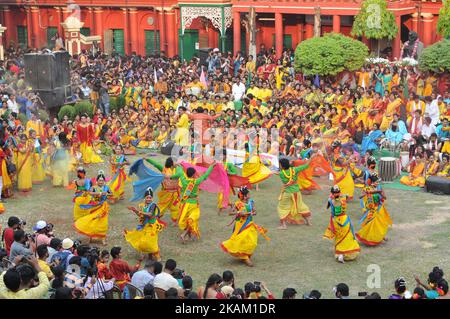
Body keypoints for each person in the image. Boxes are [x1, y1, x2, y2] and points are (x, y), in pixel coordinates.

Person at [220, 186, 269, 267]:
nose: (250, 195)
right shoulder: (237, 203)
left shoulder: (251, 202)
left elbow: (254, 210)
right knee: (241, 240)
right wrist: (238, 212)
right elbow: (230, 213)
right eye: (248, 194)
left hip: (250, 223)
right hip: (240, 225)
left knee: (252, 240)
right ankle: (245, 258)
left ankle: (246, 255)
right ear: (244, 196)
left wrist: (254, 212)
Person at [168, 162, 216, 243]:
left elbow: (180, 172)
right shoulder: (195, 182)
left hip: (184, 204)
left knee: (187, 220)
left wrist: (178, 166)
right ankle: (184, 235)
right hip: (193, 204)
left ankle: (189, 236)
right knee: (192, 219)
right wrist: (211, 167)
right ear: (193, 174)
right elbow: (205, 176)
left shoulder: (183, 179)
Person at [124, 187, 166, 261]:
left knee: (151, 241)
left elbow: (150, 214)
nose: (149, 199)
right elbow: (140, 215)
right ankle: (147, 255)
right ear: (145, 198)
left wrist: (139, 211)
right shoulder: (142, 205)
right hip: (144, 226)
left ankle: (157, 256)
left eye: (150, 198)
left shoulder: (153, 205)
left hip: (151, 226)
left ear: (152, 198)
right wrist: (135, 211)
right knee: (142, 240)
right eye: (147, 198)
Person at [73, 171, 112, 245]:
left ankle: (103, 239)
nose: (101, 182)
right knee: (92, 221)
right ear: (97, 181)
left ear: (104, 181)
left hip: (103, 207)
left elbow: (111, 194)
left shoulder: (106, 187)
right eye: (99, 180)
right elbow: (90, 193)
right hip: (94, 207)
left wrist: (107, 194)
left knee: (103, 223)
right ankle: (90, 237)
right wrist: (99, 193)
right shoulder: (93, 188)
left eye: (102, 180)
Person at [323, 185, 360, 263]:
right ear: (339, 192)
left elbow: (327, 207)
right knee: (347, 236)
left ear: (332, 193)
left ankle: (340, 254)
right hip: (344, 219)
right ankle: (345, 252)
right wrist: (342, 195)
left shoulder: (330, 200)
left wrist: (331, 197)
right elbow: (348, 196)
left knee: (339, 237)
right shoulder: (343, 197)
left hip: (336, 220)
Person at [356, 172, 392, 246]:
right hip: (371, 208)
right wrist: (366, 193)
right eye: (376, 182)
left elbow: (385, 197)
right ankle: (367, 237)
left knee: (381, 223)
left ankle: (381, 236)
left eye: (378, 182)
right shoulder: (367, 188)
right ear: (372, 182)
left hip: (379, 207)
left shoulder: (379, 188)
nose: (377, 183)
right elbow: (360, 196)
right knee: (368, 223)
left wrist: (381, 193)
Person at [277, 158, 312, 229]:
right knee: (300, 206)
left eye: (279, 164)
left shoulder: (281, 174)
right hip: (296, 192)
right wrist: (312, 157)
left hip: (287, 193)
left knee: (282, 207)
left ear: (282, 166)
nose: (279, 166)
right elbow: (306, 165)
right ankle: (308, 222)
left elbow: (280, 173)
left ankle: (284, 225)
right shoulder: (294, 170)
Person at [145, 157, 180, 224]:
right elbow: (156, 164)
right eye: (175, 161)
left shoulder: (177, 170)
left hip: (175, 193)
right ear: (172, 163)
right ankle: (155, 218)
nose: (177, 162)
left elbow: (180, 174)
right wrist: (148, 159)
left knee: (175, 206)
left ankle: (175, 221)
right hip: (166, 193)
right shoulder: (164, 169)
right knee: (162, 206)